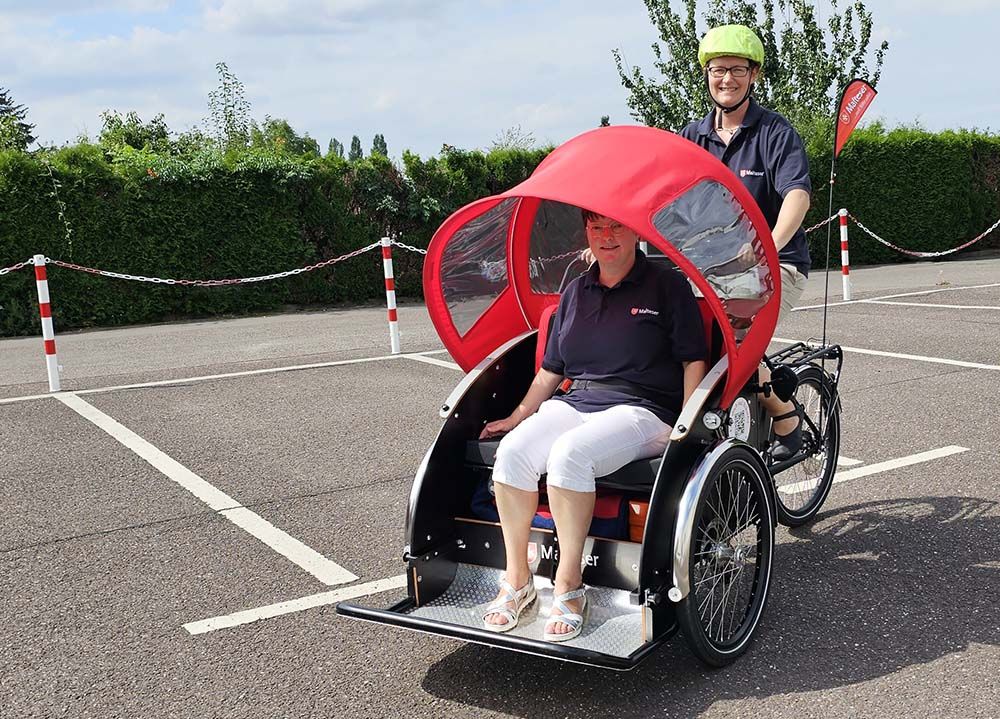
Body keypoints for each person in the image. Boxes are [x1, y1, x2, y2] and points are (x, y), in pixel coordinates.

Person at [478, 211, 708, 641]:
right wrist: (516, 416)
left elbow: (693, 357)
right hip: (579, 400)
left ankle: (569, 587)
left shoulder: (667, 285)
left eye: (618, 225)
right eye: (597, 227)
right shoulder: (575, 290)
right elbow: (550, 371)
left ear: (636, 230)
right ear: (586, 232)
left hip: (643, 409)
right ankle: (518, 580)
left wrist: (687, 423)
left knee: (570, 455)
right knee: (512, 453)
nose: (607, 236)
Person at [678, 24, 812, 460]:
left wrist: (766, 249)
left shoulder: (775, 133)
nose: (727, 79)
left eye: (738, 69)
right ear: (706, 74)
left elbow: (797, 195)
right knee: (673, 330)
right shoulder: (692, 138)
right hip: (711, 271)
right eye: (718, 69)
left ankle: (786, 417)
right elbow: (665, 199)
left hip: (776, 265)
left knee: (734, 341)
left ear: (753, 75)